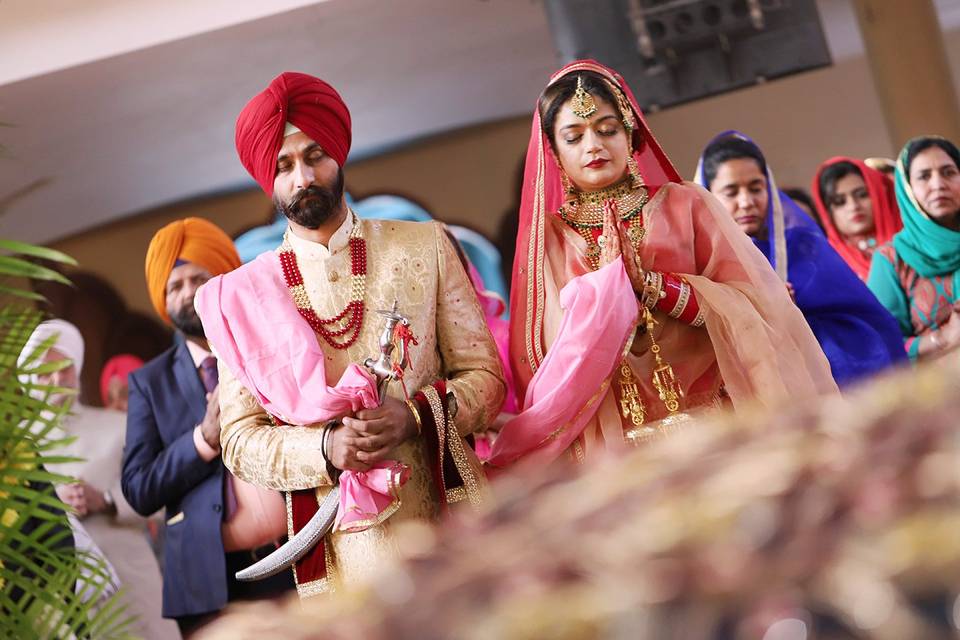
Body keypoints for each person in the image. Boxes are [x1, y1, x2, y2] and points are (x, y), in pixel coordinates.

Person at [195, 71, 505, 598]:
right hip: (341, 557)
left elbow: (488, 378)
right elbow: (241, 440)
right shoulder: (240, 298)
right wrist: (325, 446)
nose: (303, 177)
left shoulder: (423, 245)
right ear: (267, 181)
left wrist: (412, 416)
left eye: (315, 156)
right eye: (283, 166)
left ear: (338, 155)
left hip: (448, 521)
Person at [485, 61, 837, 470]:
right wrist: (607, 298)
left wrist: (655, 286)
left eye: (607, 129)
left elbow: (755, 310)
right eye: (574, 137)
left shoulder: (687, 205)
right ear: (555, 152)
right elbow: (545, 361)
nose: (593, 145)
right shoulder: (550, 240)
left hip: (719, 425)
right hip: (615, 449)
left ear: (631, 133)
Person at [121, 218, 293, 637]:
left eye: (200, 278)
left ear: (224, 280)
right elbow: (139, 488)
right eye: (174, 286)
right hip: (211, 582)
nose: (188, 294)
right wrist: (203, 440)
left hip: (298, 554)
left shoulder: (272, 346)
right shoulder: (150, 382)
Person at [697, 131, 906, 386]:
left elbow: (871, 326)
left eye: (756, 188)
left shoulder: (805, 248)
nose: (746, 201)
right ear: (708, 195)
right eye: (731, 191)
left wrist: (794, 316)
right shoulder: (702, 265)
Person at [21, 320, 176, 639]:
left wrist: (106, 500)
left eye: (64, 368)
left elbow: (160, 499)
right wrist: (51, 506)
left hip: (133, 582)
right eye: (43, 373)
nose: (55, 379)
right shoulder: (17, 447)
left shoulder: (117, 427)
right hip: (63, 602)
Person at [867, 136, 960, 360]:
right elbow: (879, 343)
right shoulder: (892, 259)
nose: (938, 184)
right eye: (924, 176)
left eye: (948, 172)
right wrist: (943, 338)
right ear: (907, 188)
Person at [812, 156, 902, 280]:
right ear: (827, 211)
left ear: (879, 194)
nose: (853, 206)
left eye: (862, 195)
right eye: (840, 201)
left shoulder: (909, 243)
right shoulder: (825, 263)